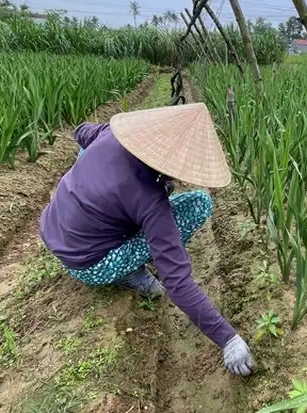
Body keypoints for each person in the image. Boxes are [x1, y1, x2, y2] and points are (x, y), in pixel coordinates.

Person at [39, 103, 256, 377]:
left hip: (53, 228)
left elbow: (81, 131)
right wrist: (228, 339)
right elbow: (176, 281)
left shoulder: (110, 134)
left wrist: (92, 165)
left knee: (89, 157)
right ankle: (127, 272)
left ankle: (101, 217)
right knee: (199, 203)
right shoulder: (149, 199)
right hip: (90, 264)